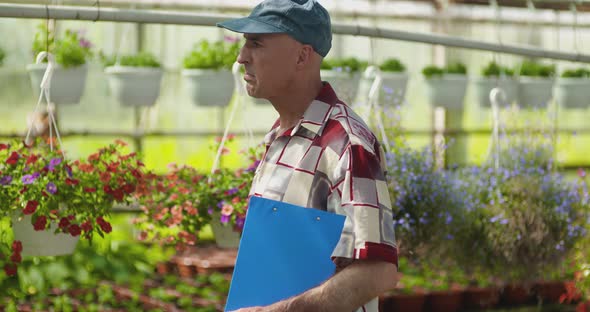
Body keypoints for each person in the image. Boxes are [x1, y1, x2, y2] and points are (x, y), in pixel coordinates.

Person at [217, 1, 399, 311]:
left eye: (256, 43)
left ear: (302, 55)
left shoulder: (347, 144)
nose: (241, 57)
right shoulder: (281, 136)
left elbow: (378, 271)